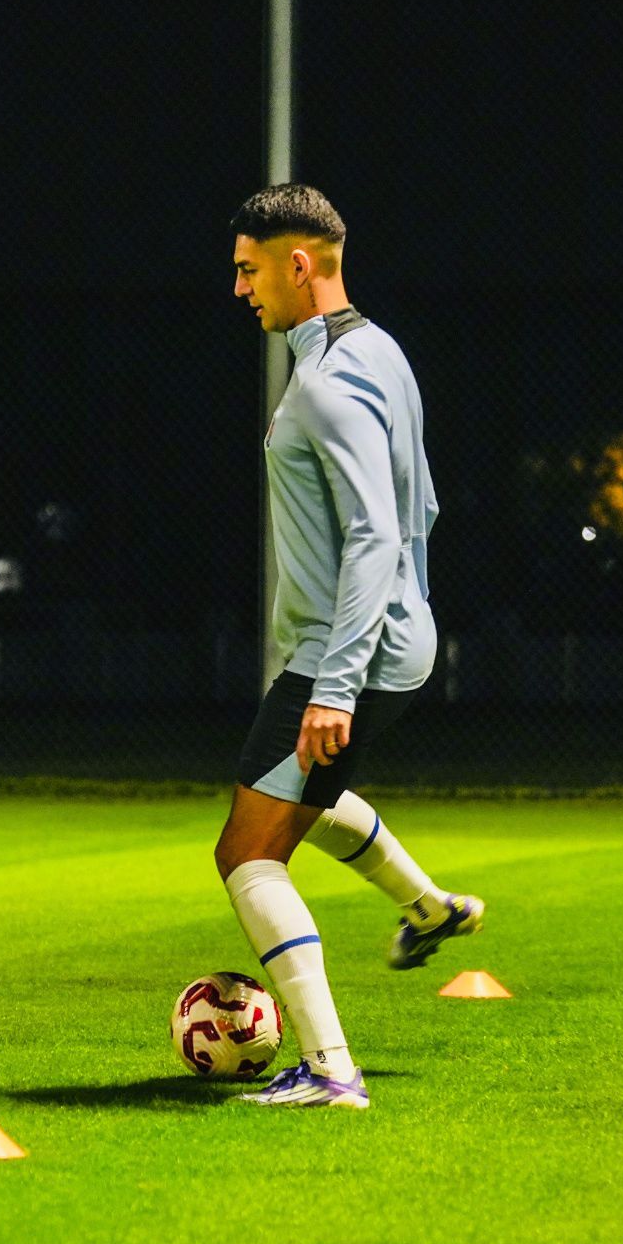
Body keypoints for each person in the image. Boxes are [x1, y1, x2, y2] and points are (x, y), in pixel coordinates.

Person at [217, 183, 483, 1110]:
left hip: (343, 654)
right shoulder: (382, 351)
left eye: (250, 270)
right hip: (389, 639)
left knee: (247, 854)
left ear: (299, 264)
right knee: (302, 801)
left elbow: (373, 531)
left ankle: (331, 1069)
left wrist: (334, 683)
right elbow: (424, 505)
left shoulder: (327, 384)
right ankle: (426, 906)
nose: (240, 288)